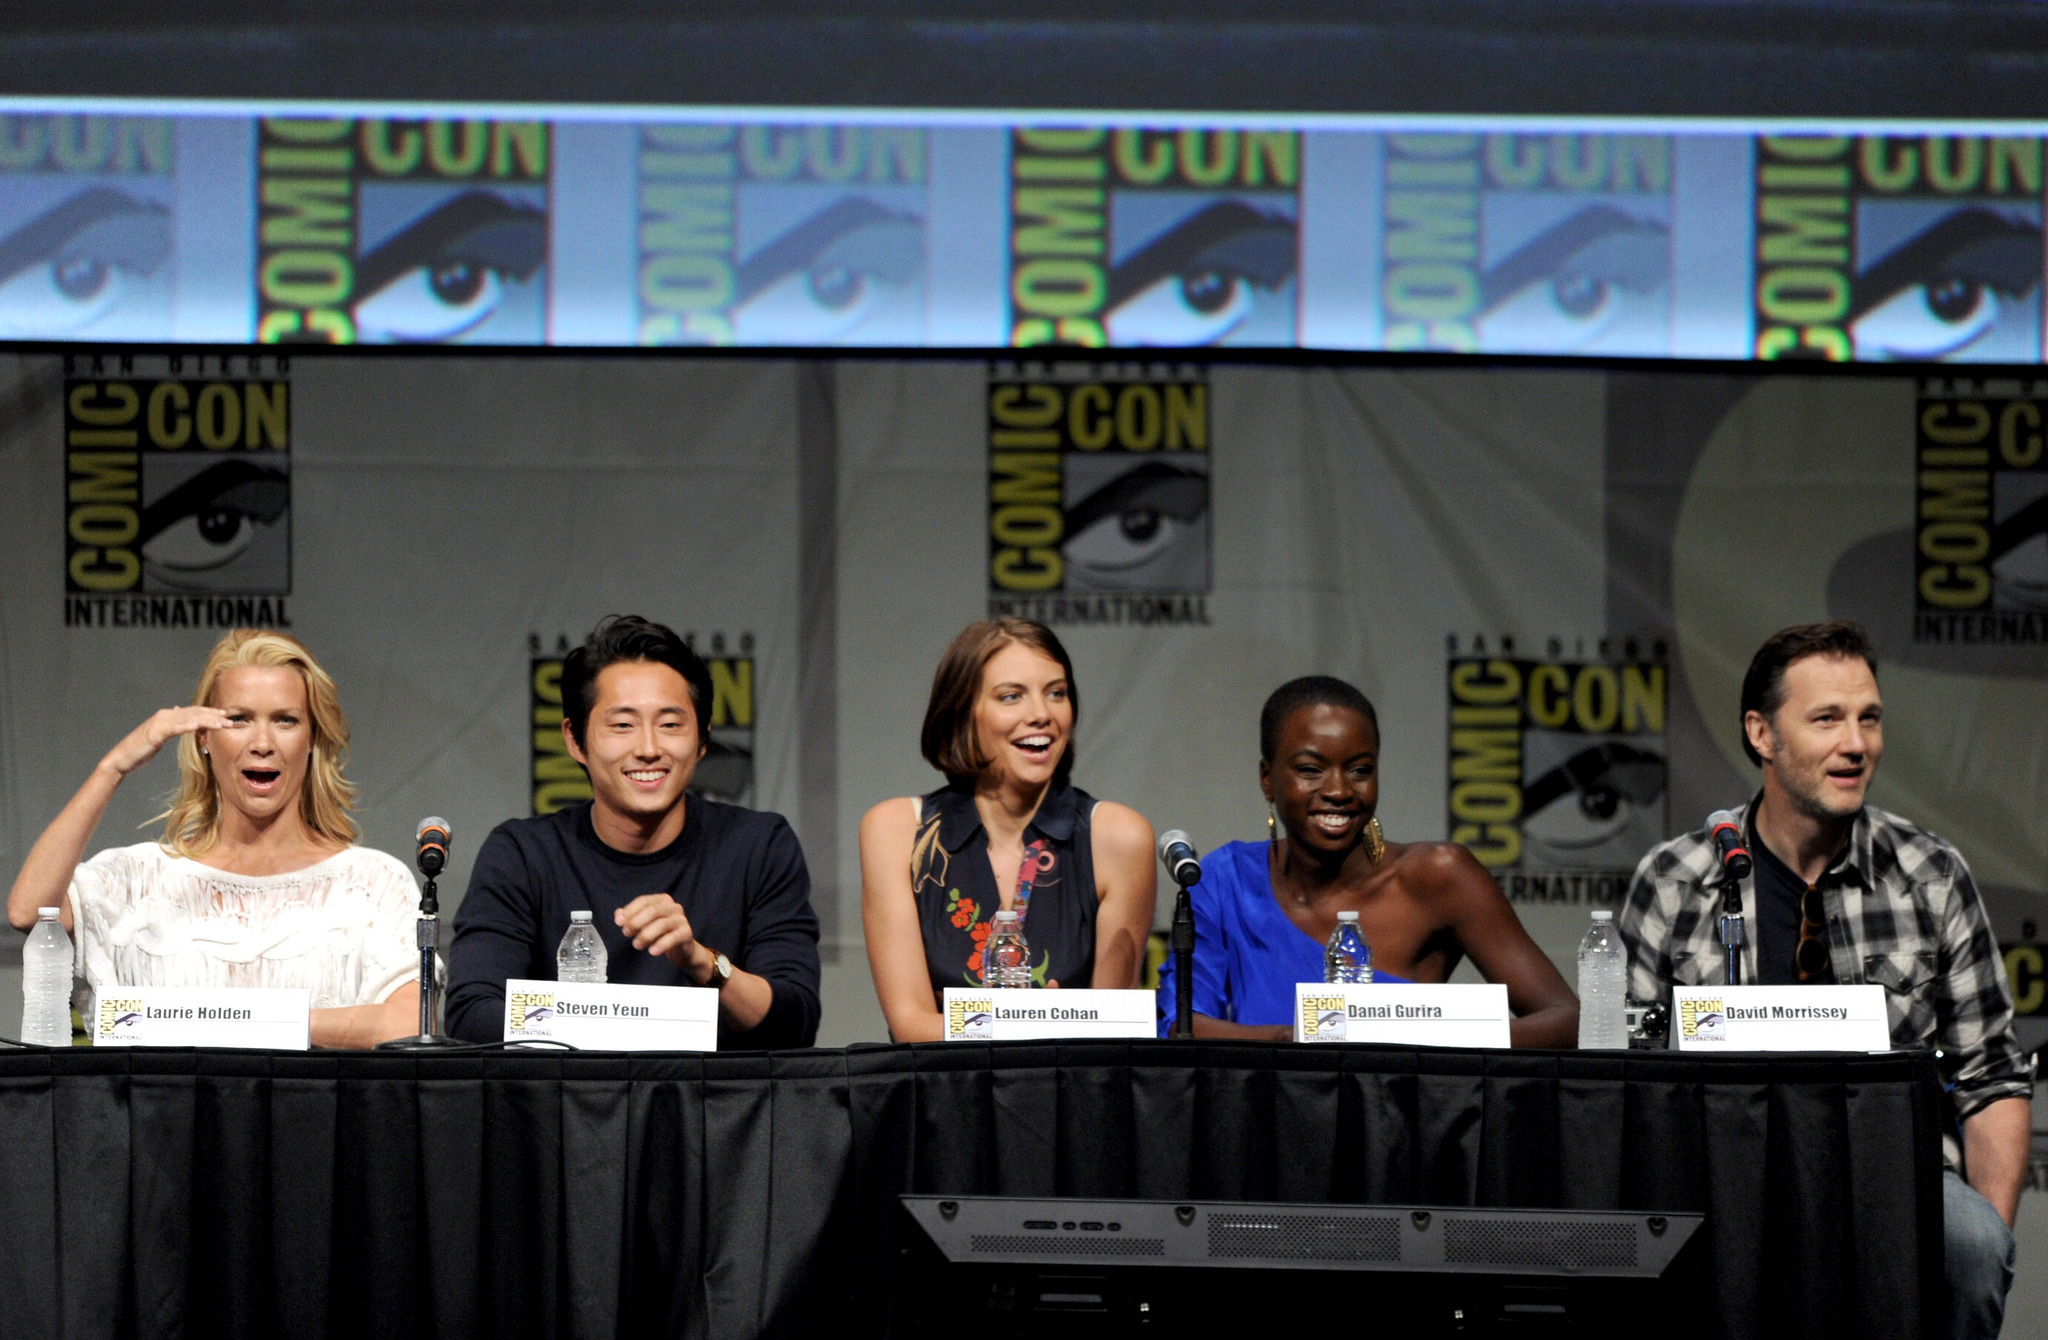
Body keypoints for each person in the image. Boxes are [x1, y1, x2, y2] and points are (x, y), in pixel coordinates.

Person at [1617, 621, 2030, 1340]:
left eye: (1869, 718)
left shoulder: (1928, 874)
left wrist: (1987, 1223)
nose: (1856, 744)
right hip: (1716, 1183)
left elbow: (1993, 1076)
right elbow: (1621, 1077)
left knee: (1970, 1246)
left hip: (1896, 1185)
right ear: (1762, 734)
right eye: (1827, 719)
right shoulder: (1677, 880)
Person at [5, 630, 421, 1048]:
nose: (262, 743)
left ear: (312, 738)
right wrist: (113, 767)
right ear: (203, 736)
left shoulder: (374, 882)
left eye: (285, 720)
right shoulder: (137, 879)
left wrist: (248, 1023)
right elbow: (30, 911)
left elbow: (409, 1024)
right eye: (238, 719)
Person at [445, 616, 820, 1047]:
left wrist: (700, 961)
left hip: (716, 1111)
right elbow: (472, 1014)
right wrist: (630, 1025)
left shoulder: (758, 846)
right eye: (622, 725)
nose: (647, 748)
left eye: (671, 724)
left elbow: (795, 1022)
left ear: (701, 741)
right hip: (566, 1110)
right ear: (575, 739)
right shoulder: (523, 854)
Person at [1157, 676, 1580, 1046]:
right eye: (1311, 769)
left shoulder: (1438, 875)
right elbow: (1182, 1025)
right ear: (1268, 779)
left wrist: (1423, 1041)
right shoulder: (1222, 880)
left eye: (1360, 770)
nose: (1339, 790)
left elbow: (1567, 1020)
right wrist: (1302, 1037)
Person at [860, 618, 1156, 1042]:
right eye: (1011, 697)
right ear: (963, 712)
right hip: (938, 1097)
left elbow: (1110, 1034)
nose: (1041, 715)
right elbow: (911, 1025)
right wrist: (1038, 1022)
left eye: (1056, 693)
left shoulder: (1118, 837)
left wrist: (983, 1023)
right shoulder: (897, 830)